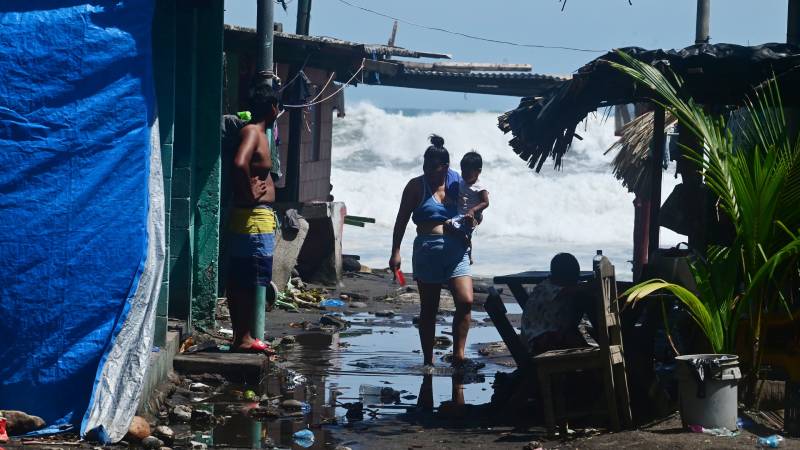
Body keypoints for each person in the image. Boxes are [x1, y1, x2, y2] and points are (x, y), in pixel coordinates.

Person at [389, 135, 480, 371]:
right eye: (425, 166)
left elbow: (476, 209)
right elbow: (401, 220)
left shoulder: (457, 183)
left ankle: (458, 356)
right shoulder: (415, 186)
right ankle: (428, 361)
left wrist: (474, 218)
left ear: (445, 167)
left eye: (433, 167)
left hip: (456, 251)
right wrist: (395, 252)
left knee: (466, 301)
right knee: (429, 310)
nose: (428, 171)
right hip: (427, 251)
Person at [225, 82, 281, 352]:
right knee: (248, 279)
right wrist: (249, 190)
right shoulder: (253, 132)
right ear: (272, 108)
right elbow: (239, 163)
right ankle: (243, 338)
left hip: (254, 218)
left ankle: (242, 337)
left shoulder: (259, 132)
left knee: (246, 278)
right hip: (253, 220)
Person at [520, 253, 595, 356]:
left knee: (570, 332)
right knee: (570, 336)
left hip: (536, 337)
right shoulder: (549, 289)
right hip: (537, 342)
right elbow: (574, 290)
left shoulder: (546, 285)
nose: (575, 282)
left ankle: (587, 353)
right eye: (573, 280)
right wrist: (597, 285)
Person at [446, 151, 489, 264]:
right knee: (466, 234)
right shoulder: (463, 182)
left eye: (468, 173)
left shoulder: (480, 187)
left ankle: (466, 249)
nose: (464, 175)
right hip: (463, 214)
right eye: (463, 172)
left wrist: (473, 210)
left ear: (478, 171)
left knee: (449, 225)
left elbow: (485, 203)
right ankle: (468, 255)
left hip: (474, 216)